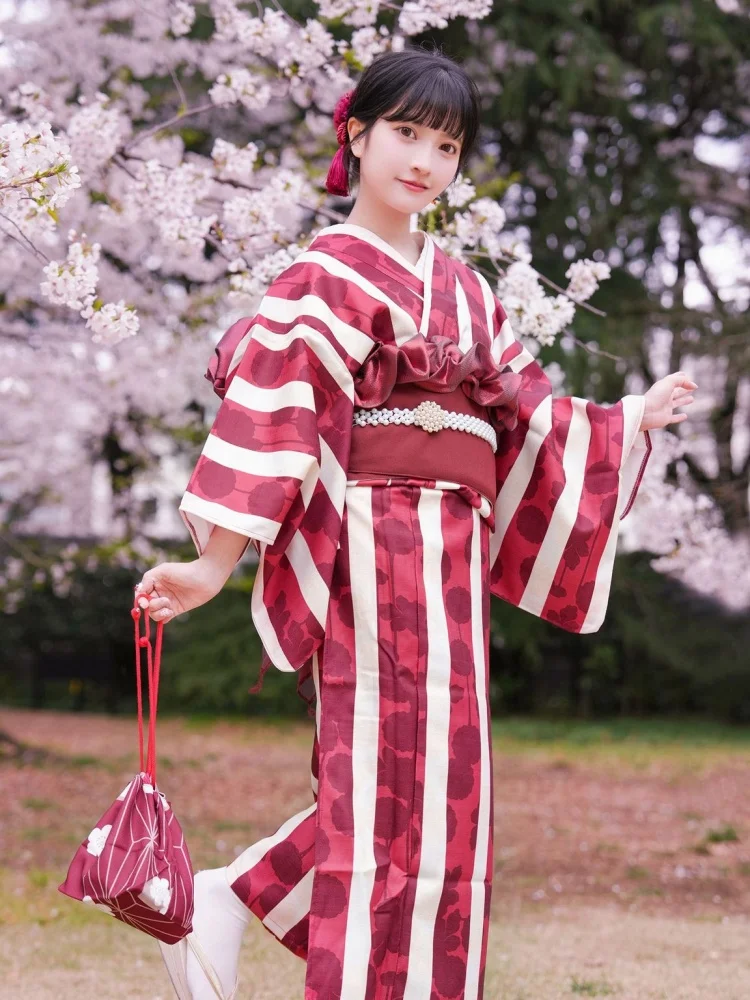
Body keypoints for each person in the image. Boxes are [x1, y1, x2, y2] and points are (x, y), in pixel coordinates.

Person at [135, 46, 697, 1000]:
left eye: (447, 144)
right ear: (355, 134)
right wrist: (214, 565)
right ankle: (309, 946)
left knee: (450, 788)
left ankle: (236, 897)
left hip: (451, 553)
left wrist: (624, 422)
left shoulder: (469, 290)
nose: (425, 160)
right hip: (362, 540)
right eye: (405, 133)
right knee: (378, 769)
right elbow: (270, 415)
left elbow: (525, 412)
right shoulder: (323, 273)